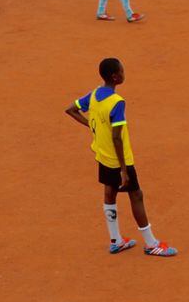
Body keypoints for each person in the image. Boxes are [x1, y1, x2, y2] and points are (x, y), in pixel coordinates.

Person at [65, 57, 175, 257]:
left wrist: (91, 125)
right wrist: (124, 170)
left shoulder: (95, 94)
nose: (124, 73)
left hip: (102, 155)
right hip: (118, 160)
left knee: (109, 193)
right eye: (122, 71)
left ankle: (115, 240)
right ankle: (151, 244)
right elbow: (117, 138)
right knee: (136, 195)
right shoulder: (117, 103)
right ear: (115, 77)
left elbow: (71, 109)